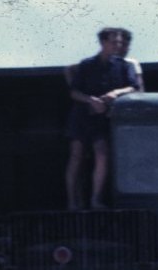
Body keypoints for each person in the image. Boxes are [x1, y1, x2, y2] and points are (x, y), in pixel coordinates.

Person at [64, 27, 143, 210]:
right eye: (114, 42)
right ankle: (72, 202)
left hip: (105, 117)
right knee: (76, 157)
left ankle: (96, 200)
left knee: (102, 154)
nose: (118, 46)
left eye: (120, 42)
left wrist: (115, 93)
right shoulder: (86, 65)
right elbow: (74, 92)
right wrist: (90, 100)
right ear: (103, 42)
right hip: (82, 116)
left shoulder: (124, 65)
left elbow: (134, 86)